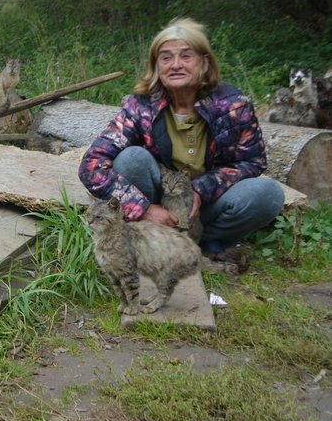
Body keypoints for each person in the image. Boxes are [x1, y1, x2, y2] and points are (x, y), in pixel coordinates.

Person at [78, 17, 285, 267]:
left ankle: (203, 241)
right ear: (156, 66)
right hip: (155, 202)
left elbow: (252, 160)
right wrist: (142, 208)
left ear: (204, 62)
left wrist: (201, 188)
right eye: (166, 58)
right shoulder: (141, 106)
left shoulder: (233, 105)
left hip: (204, 208)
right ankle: (151, 238)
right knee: (132, 158)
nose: (175, 65)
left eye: (186, 56)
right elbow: (92, 165)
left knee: (268, 194)